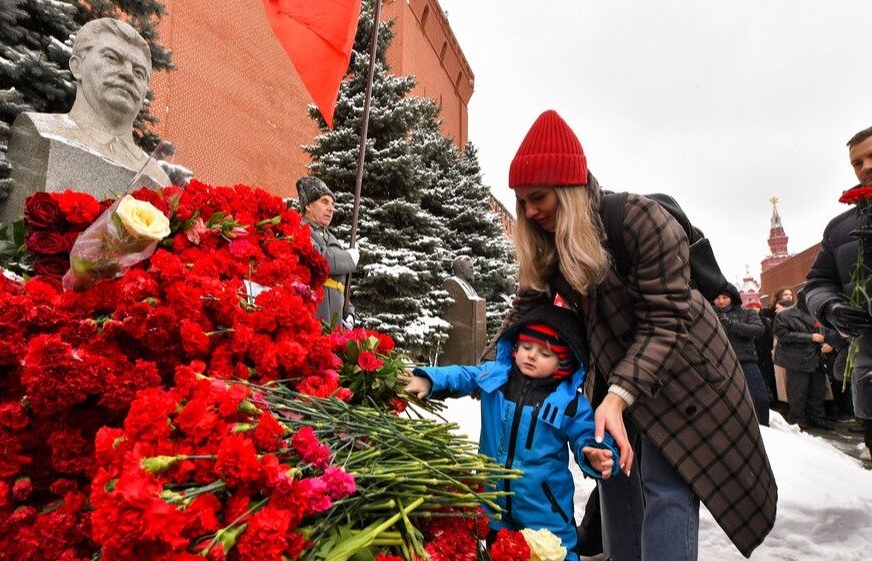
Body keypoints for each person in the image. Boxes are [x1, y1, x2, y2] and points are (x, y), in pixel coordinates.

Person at [495, 109, 776, 560]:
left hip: (684, 367)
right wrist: (493, 367)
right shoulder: (548, 238)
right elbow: (526, 308)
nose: (529, 211)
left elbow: (666, 320)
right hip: (615, 363)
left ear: (567, 189)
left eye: (539, 197)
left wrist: (619, 395)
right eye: (522, 201)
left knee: (667, 483)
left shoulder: (640, 219)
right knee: (614, 475)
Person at [403, 304, 618, 561]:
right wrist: (428, 379)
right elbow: (462, 375)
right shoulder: (497, 379)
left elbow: (588, 434)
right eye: (526, 347)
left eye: (545, 353)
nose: (531, 356)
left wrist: (596, 453)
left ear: (564, 362)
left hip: (545, 513)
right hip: (495, 506)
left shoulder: (570, 403)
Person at [1, 18, 170, 221]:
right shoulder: (39, 130)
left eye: (139, 72)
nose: (128, 74)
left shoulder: (158, 177)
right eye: (113, 58)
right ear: (77, 66)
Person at [804, 125, 872, 463]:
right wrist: (831, 308)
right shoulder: (840, 227)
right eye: (857, 162)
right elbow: (816, 283)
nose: (866, 167)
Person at [296, 176, 359, 328]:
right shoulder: (298, 228)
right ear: (308, 206)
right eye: (324, 202)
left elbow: (339, 282)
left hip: (335, 318)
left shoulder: (332, 239)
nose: (331, 208)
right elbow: (317, 258)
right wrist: (348, 258)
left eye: (332, 204)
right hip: (313, 312)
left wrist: (349, 311)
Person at [773, 293, 833, 430]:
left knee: (817, 390)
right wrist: (810, 337)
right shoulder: (785, 315)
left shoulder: (819, 312)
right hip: (797, 358)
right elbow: (781, 334)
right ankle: (797, 419)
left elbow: (827, 331)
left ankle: (816, 417)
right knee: (798, 391)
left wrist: (829, 343)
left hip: (817, 356)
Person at [713, 284, 769, 425]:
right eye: (717, 298)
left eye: (724, 297)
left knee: (759, 397)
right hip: (719, 362)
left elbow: (758, 330)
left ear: (732, 298)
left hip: (745, 361)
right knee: (723, 399)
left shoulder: (747, 313)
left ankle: (764, 427)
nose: (720, 301)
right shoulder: (709, 313)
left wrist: (731, 324)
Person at [757, 286, 795, 400]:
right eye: (785, 294)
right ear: (778, 297)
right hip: (771, 348)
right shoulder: (768, 313)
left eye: (790, 294)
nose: (788, 296)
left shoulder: (797, 311)